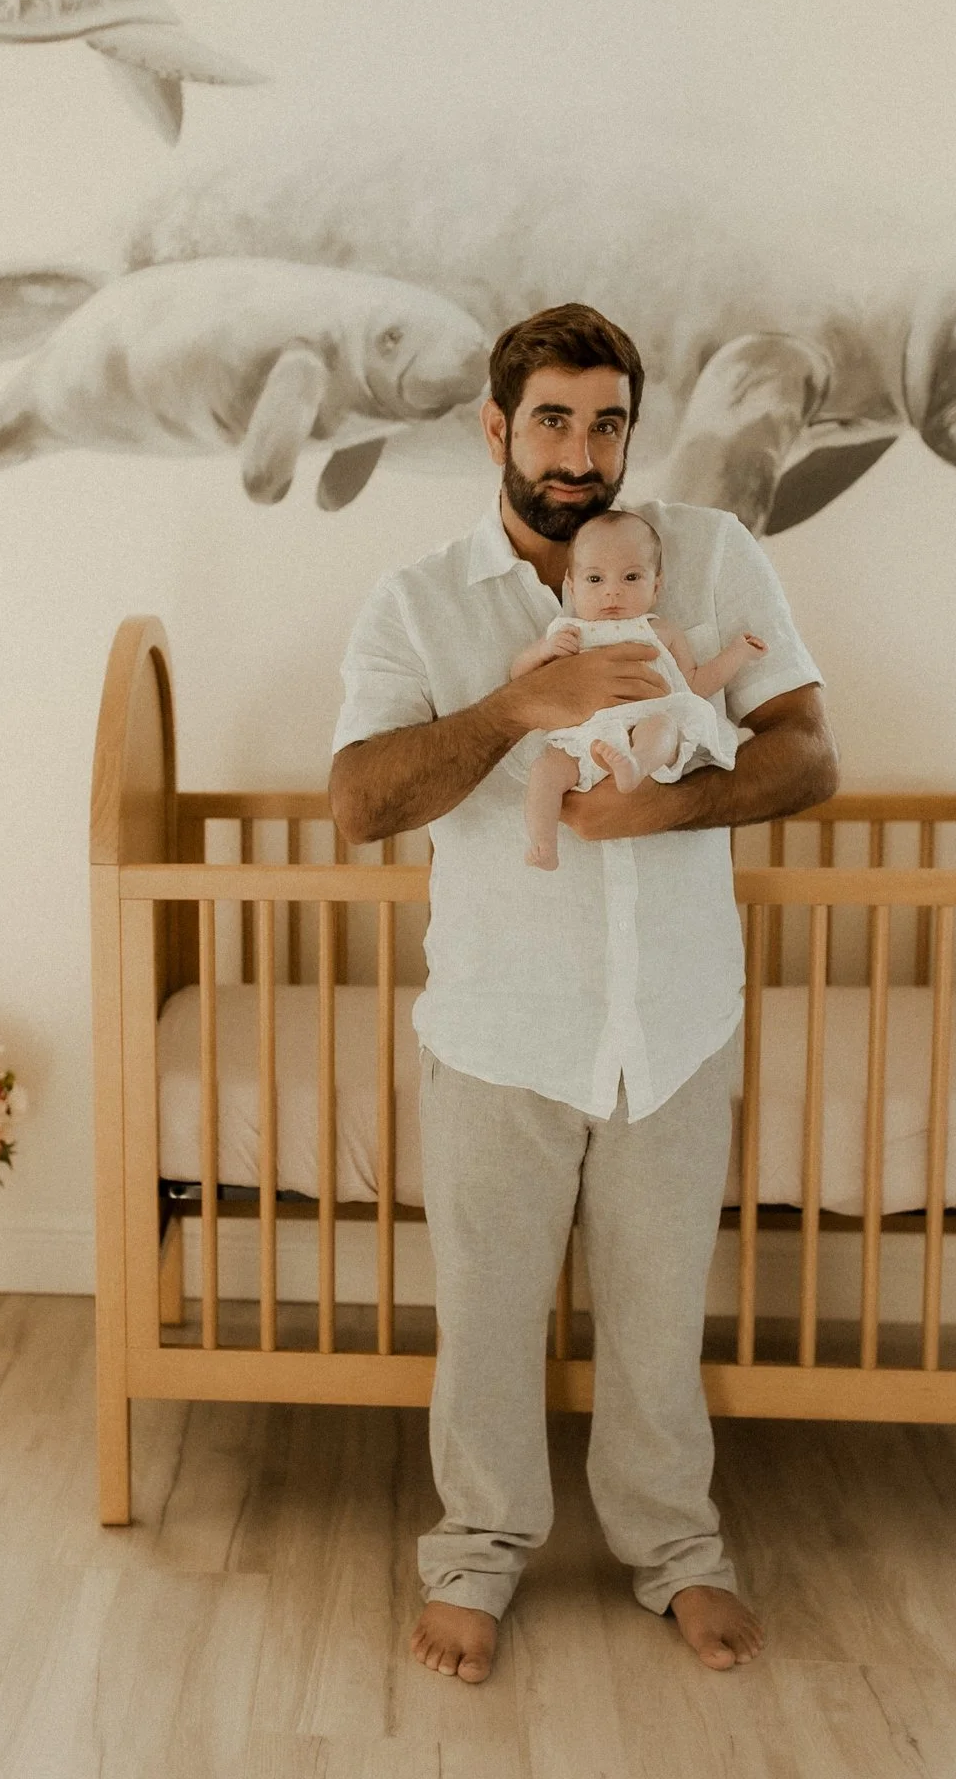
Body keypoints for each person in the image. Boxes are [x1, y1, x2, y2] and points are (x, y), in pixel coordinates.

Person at [329, 301, 838, 1684]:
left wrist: (669, 812)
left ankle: (676, 1555)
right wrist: (514, 714)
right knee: (488, 1320)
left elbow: (804, 757)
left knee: (661, 1317)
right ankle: (477, 1557)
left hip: (672, 1023)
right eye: (551, 418)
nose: (580, 449)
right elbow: (358, 801)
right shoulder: (423, 603)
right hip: (503, 1028)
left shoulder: (710, 558)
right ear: (495, 426)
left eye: (605, 420)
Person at [513, 507, 766, 867]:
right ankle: (543, 843)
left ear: (656, 586)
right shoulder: (567, 632)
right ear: (572, 586)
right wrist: (543, 651)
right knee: (544, 771)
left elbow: (693, 685)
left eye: (631, 577)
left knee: (664, 728)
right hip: (583, 738)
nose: (612, 592)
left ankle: (635, 764)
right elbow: (518, 676)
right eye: (595, 580)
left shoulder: (661, 632)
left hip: (644, 721)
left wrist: (738, 654)